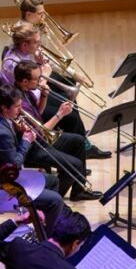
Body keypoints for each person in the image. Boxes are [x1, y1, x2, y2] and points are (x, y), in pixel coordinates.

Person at [17, 0, 111, 160]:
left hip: (38, 77)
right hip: (34, 86)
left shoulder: (33, 28)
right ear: (28, 14)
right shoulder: (26, 35)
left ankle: (79, 135)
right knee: (71, 110)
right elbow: (44, 64)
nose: (43, 17)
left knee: (69, 83)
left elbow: (47, 58)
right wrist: (69, 73)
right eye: (40, 13)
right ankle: (82, 145)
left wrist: (73, 74)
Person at [14, 61, 102, 201]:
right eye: (37, 79)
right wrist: (59, 114)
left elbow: (38, 113)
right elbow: (38, 132)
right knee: (75, 165)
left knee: (79, 141)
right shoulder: (19, 101)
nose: (40, 81)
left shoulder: (26, 91)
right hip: (33, 147)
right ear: (25, 81)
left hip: (40, 139)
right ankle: (53, 199)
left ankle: (79, 191)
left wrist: (44, 96)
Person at [0, 85, 67, 229]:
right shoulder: (1, 134)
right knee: (56, 200)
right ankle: (47, 235)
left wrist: (19, 131)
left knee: (53, 180)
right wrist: (26, 141)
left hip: (13, 174)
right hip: (9, 185)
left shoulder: (0, 115)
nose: (20, 110)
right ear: (5, 108)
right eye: (17, 106)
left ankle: (43, 222)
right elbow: (15, 165)